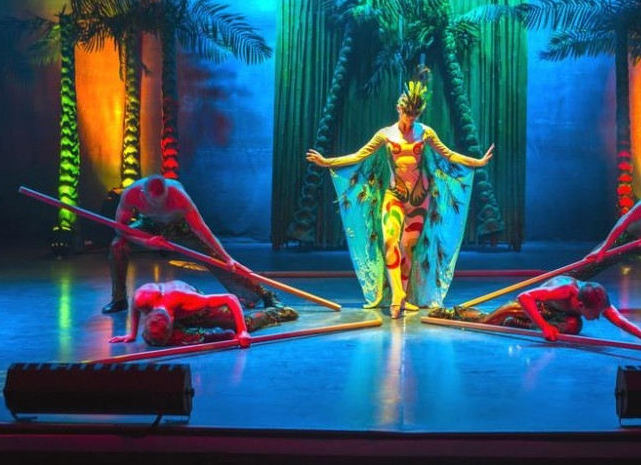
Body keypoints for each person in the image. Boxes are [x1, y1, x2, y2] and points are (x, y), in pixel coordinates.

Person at [306, 70, 493, 319]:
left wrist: (477, 162)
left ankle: (402, 296)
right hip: (394, 195)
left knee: (408, 247)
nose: (411, 118)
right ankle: (397, 296)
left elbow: (448, 154)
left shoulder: (425, 132)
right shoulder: (386, 134)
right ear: (399, 109)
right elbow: (359, 156)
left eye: (415, 114)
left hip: (419, 198)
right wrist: (327, 161)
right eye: (407, 113)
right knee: (388, 241)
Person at [102, 175, 288, 315]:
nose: (161, 206)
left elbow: (202, 230)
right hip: (149, 225)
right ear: (143, 195)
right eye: (155, 203)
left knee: (218, 260)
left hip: (180, 227)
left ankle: (264, 295)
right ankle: (119, 299)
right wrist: (145, 241)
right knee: (117, 245)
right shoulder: (131, 194)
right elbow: (120, 229)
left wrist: (227, 258)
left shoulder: (179, 197)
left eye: (164, 201)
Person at [429, 276, 641, 345]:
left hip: (557, 314)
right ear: (580, 305)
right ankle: (452, 313)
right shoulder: (564, 290)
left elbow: (619, 320)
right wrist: (543, 327)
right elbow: (525, 297)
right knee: (487, 322)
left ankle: (522, 324)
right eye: (596, 313)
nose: (600, 317)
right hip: (536, 307)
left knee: (574, 325)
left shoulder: (597, 299)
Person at [110, 280, 298, 347]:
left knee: (243, 323)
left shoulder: (189, 301)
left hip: (199, 312)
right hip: (175, 316)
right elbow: (134, 306)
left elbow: (230, 298)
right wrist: (132, 334)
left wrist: (242, 331)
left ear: (173, 320)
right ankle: (215, 337)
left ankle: (277, 311)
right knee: (159, 338)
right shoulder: (142, 297)